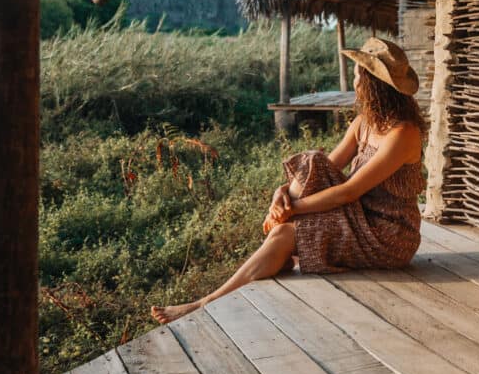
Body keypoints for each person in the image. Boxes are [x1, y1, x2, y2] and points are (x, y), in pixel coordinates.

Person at [151, 37, 427, 324]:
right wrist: (280, 193)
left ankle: (204, 302)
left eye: (358, 75)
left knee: (284, 233)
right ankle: (277, 242)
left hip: (388, 235)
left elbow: (347, 192)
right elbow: (323, 169)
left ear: (373, 84)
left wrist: (292, 210)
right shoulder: (364, 123)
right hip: (361, 218)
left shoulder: (403, 134)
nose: (355, 82)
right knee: (312, 160)